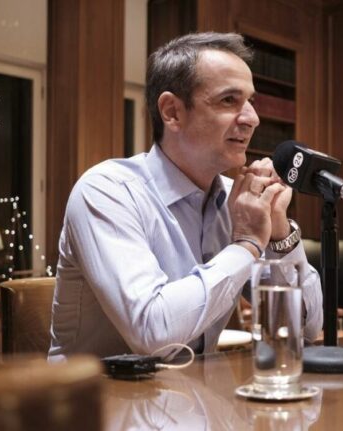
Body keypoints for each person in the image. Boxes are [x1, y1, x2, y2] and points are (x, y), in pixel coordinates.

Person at [48, 32, 323, 361]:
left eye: (251, 101)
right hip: (99, 393)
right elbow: (153, 335)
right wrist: (247, 244)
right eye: (229, 100)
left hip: (195, 390)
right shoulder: (107, 190)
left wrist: (279, 235)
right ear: (172, 112)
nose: (252, 118)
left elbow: (306, 328)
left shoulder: (236, 202)